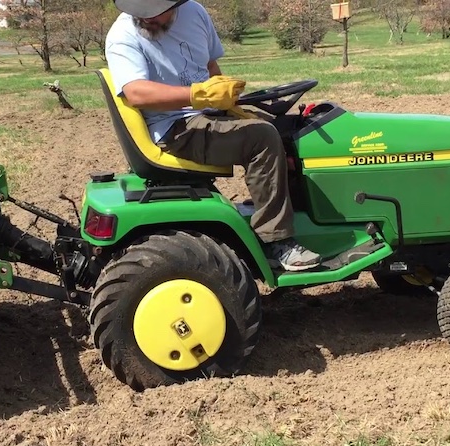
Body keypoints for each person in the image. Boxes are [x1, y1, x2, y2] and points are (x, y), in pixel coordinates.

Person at [105, 0, 322, 272]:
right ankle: (276, 241)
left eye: (154, 13)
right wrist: (198, 96)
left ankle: (290, 213)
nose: (147, 18)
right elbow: (136, 92)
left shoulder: (195, 13)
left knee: (292, 130)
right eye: (141, 12)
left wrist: (227, 101)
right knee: (263, 138)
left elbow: (209, 66)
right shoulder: (122, 35)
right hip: (175, 129)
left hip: (206, 114)